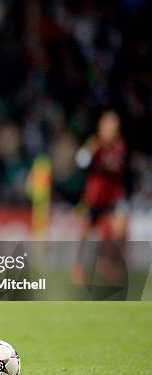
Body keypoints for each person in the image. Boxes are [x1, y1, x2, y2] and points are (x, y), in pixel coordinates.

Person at [72, 110, 128, 285]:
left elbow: (117, 167)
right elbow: (81, 161)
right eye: (108, 125)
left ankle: (108, 264)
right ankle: (78, 267)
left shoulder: (119, 146)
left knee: (120, 229)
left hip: (112, 197)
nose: (111, 129)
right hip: (94, 197)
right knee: (85, 233)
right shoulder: (94, 144)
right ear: (101, 127)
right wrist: (91, 148)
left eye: (114, 126)